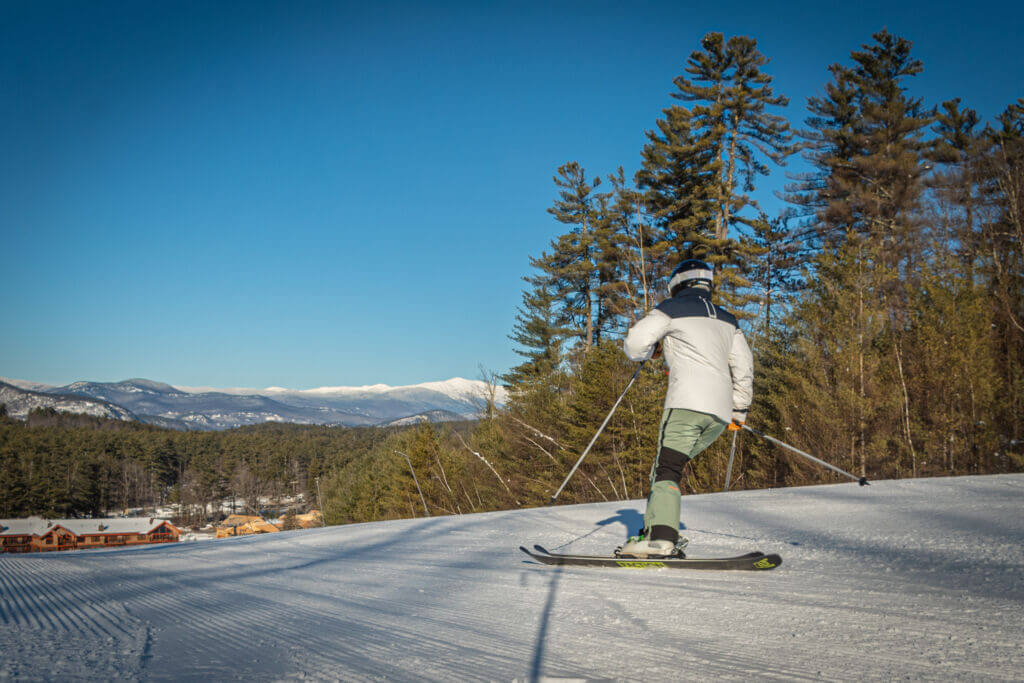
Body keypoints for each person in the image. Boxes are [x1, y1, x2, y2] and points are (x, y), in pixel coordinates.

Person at [617, 259, 753, 558]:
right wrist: (739, 409)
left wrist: (647, 351)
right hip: (719, 414)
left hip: (685, 405)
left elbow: (634, 342)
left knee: (666, 469)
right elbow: (743, 366)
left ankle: (660, 539)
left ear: (677, 283)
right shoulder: (728, 319)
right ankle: (656, 531)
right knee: (667, 468)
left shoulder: (670, 309)